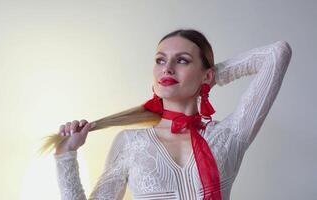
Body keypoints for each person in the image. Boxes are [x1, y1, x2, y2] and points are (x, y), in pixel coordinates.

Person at [50, 29, 292, 200]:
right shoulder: (130, 143)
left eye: (182, 61)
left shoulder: (230, 135)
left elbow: (276, 54)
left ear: (206, 75)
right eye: (160, 60)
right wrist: (65, 155)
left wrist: (208, 78)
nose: (167, 68)